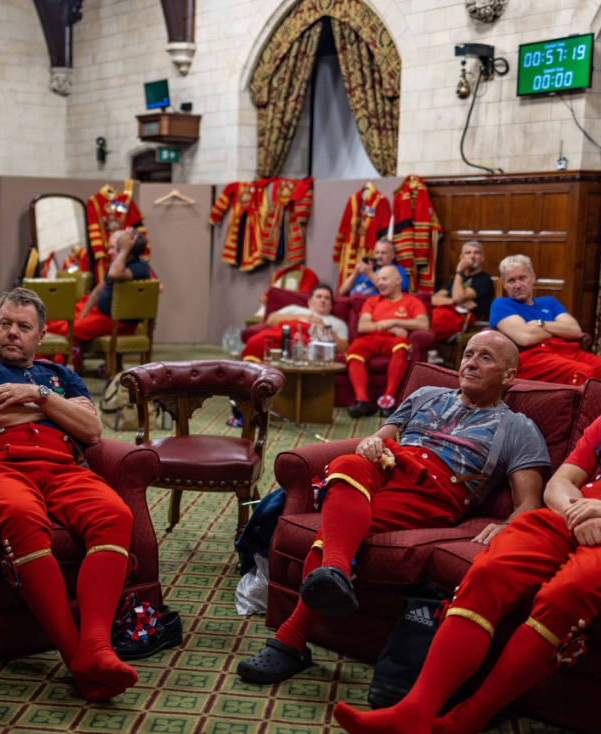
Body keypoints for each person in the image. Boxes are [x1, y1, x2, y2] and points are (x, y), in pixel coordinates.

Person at [237, 331, 550, 685]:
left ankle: (292, 638)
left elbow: (529, 502)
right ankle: (335, 573)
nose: (470, 363)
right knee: (347, 463)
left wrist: (509, 524)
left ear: (509, 375)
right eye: (468, 354)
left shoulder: (518, 427)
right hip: (388, 463)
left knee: (339, 526)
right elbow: (380, 438)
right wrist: (371, 443)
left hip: (435, 489)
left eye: (485, 357)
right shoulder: (426, 395)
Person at [337, 410, 601, 734]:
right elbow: (560, 482)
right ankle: (415, 711)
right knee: (488, 571)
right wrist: (578, 512)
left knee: (567, 594)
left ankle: (463, 722)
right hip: (570, 516)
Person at [0, 288, 140, 702]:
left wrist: (39, 394)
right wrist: (57, 409)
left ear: (41, 335)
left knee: (115, 514)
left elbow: (92, 430)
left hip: (61, 464)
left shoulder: (59, 376)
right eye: (5, 324)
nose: (13, 333)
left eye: (23, 326)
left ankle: (97, 646)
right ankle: (76, 656)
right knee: (21, 517)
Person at [490, 254, 601, 385]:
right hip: (534, 357)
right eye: (511, 281)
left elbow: (575, 331)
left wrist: (539, 324)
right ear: (504, 284)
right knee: (584, 373)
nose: (518, 285)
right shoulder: (501, 304)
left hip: (568, 351)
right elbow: (526, 338)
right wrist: (558, 330)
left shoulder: (549, 302)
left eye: (522, 278)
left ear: (532, 277)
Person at [344, 264, 429, 417]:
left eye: (384, 279)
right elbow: (362, 326)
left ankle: (388, 400)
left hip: (394, 341)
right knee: (354, 350)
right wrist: (391, 327)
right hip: (371, 338)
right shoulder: (372, 301)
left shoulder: (412, 301)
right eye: (379, 279)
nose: (380, 283)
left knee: (402, 345)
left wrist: (392, 322)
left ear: (398, 280)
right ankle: (362, 401)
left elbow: (423, 324)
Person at [46, 226, 152, 348]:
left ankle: (66, 358)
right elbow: (97, 292)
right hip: (102, 315)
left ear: (129, 245)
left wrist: (124, 251)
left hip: (118, 323)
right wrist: (81, 317)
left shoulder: (138, 267)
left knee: (66, 329)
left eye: (124, 238)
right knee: (59, 323)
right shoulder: (117, 264)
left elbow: (113, 274)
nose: (122, 239)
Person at [241, 285, 350, 361]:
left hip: (308, 342)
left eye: (327, 298)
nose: (323, 300)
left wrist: (325, 329)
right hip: (283, 334)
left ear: (331, 304)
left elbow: (344, 348)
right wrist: (299, 316)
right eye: (319, 296)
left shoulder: (337, 323)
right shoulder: (295, 309)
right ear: (309, 301)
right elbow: (271, 320)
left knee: (303, 348)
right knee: (256, 341)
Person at [429, 240, 494, 341]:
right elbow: (433, 299)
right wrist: (454, 301)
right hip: (441, 312)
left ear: (482, 258)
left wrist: (459, 271)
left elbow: (458, 297)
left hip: (461, 317)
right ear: (461, 257)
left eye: (476, 253)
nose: (472, 256)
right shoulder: (455, 280)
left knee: (423, 329)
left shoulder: (484, 279)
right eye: (468, 253)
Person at [338, 237, 410, 298]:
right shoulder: (369, 269)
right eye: (377, 253)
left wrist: (369, 274)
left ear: (392, 255)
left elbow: (395, 291)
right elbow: (341, 292)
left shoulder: (398, 270)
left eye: (383, 253)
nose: (379, 256)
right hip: (353, 303)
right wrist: (355, 274)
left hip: (374, 305)